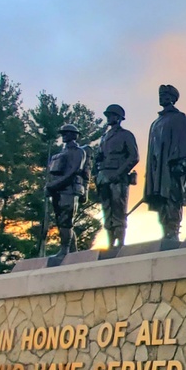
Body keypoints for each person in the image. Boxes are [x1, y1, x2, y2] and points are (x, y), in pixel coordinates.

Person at [144, 85, 186, 242]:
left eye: (166, 95)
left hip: (173, 168)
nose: (162, 97)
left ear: (173, 98)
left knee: (172, 198)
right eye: (161, 95)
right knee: (161, 199)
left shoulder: (180, 118)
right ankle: (165, 230)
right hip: (158, 170)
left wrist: (181, 164)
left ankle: (173, 231)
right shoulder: (155, 123)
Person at [94, 104, 139, 248]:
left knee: (119, 210)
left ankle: (120, 243)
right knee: (107, 210)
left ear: (119, 118)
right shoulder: (104, 137)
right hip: (103, 177)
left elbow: (134, 156)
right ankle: (110, 242)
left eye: (112, 115)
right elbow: (99, 158)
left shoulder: (126, 135)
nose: (109, 118)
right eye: (108, 115)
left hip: (118, 178)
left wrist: (119, 173)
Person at [45, 124, 87, 259]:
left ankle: (65, 250)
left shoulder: (78, 152)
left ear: (74, 135)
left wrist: (54, 185)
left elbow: (73, 171)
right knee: (61, 221)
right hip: (58, 191)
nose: (64, 135)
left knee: (66, 221)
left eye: (67, 133)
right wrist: (50, 187)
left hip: (70, 189)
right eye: (63, 133)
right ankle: (73, 252)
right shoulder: (60, 153)